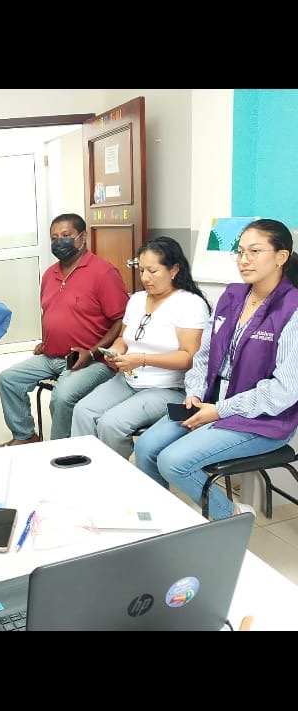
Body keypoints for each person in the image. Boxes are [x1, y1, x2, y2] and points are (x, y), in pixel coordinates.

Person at [135, 219, 298, 519]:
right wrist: (195, 393)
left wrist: (220, 410)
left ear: (281, 256)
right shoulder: (232, 296)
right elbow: (204, 354)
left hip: (262, 420)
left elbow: (283, 392)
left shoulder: (292, 309)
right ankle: (162, 521)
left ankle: (233, 516)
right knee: (146, 448)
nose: (244, 259)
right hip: (210, 403)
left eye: (255, 251)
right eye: (240, 251)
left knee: (173, 462)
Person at [70, 238, 211, 458]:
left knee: (111, 423)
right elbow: (123, 339)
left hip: (167, 388)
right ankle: (83, 467)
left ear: (174, 269)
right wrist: (116, 352)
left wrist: (142, 359)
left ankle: (115, 475)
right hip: (129, 380)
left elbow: (189, 358)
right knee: (83, 411)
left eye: (152, 271)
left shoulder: (190, 304)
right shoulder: (136, 299)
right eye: (141, 270)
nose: (145, 278)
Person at [0, 214, 129, 443]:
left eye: (66, 235)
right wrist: (47, 341)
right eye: (54, 238)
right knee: (8, 379)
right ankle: (25, 436)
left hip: (93, 361)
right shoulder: (50, 274)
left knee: (62, 396)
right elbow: (52, 312)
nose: (60, 242)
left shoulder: (103, 272)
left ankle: (61, 450)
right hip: (52, 356)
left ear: (83, 237)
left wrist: (92, 353)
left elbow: (121, 320)